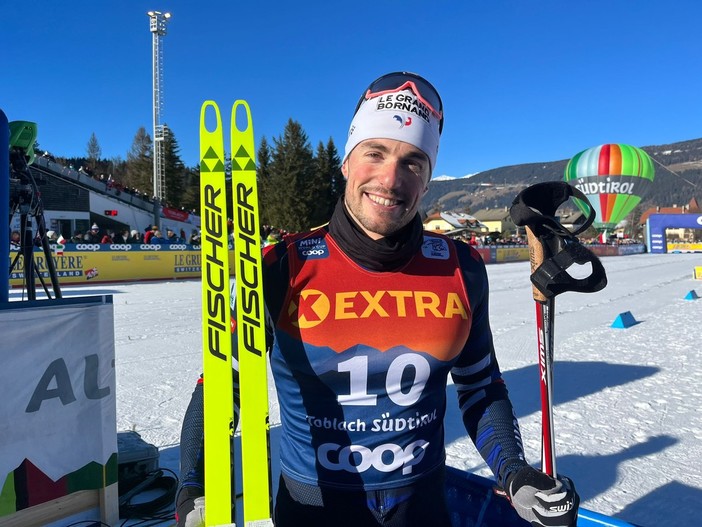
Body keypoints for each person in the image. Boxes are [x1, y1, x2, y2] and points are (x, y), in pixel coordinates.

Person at [176, 72, 579, 527]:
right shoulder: (278, 269)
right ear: (347, 162)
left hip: (421, 505)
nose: (390, 179)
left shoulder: (460, 267)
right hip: (313, 507)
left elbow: (480, 386)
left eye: (413, 162)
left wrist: (516, 473)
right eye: (375, 152)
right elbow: (222, 382)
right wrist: (193, 487)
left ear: (428, 180)